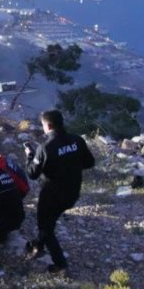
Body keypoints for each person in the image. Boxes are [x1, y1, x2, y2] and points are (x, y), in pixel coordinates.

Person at [24, 110, 95, 274]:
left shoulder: (45, 148)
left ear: (47, 125)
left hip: (51, 195)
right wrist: (71, 168)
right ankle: (38, 245)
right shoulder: (77, 140)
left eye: (42, 125)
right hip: (72, 192)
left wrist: (29, 157)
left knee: (46, 228)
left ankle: (60, 264)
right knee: (49, 223)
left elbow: (32, 174)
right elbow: (89, 162)